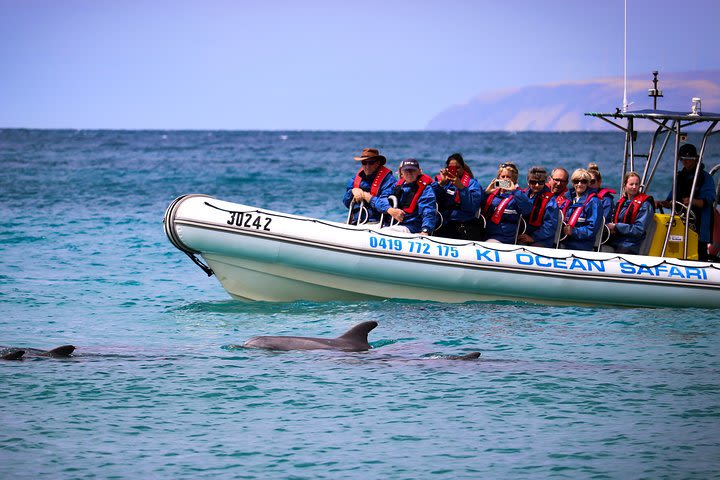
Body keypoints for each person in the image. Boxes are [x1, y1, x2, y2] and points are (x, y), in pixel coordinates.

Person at [656, 143, 716, 261]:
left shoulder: (705, 178)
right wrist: (660, 203)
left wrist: (692, 201)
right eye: (683, 159)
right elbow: (671, 201)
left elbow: (708, 201)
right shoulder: (679, 177)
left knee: (699, 253)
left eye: (689, 159)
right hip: (680, 224)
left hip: (699, 225)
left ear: (695, 159)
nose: (686, 162)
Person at [375, 158, 437, 235]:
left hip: (411, 226)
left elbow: (428, 210)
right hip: (392, 224)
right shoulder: (396, 186)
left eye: (412, 170)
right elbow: (380, 200)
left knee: (384, 232)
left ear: (418, 171)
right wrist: (389, 209)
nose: (409, 173)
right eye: (406, 170)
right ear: (401, 172)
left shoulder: (426, 190)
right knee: (369, 229)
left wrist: (425, 230)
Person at [433, 153, 485, 240]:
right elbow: (430, 198)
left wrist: (461, 188)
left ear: (463, 168)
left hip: (464, 224)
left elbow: (471, 207)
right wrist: (441, 184)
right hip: (445, 223)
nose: (455, 171)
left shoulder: (473, 184)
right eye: (451, 168)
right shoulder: (445, 183)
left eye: (458, 168)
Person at [481, 162, 532, 243]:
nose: (505, 179)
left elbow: (527, 209)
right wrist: (486, 193)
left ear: (514, 179)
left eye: (508, 177)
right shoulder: (493, 193)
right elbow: (476, 206)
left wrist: (514, 191)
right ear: (498, 178)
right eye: (503, 176)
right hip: (487, 233)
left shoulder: (519, 194)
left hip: (504, 237)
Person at [342, 148, 396, 224]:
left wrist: (366, 196)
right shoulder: (355, 179)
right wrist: (352, 192)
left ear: (378, 163)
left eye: (371, 163)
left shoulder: (389, 180)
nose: (367, 166)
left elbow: (385, 205)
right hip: (356, 221)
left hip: (377, 222)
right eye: (364, 162)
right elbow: (346, 202)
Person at [606, 171, 655, 254]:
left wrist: (616, 227)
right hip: (615, 240)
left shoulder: (645, 204)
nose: (634, 187)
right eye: (631, 184)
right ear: (625, 185)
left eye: (636, 184)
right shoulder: (622, 202)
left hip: (630, 244)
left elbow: (639, 229)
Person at [516, 166, 559, 248]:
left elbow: (550, 226)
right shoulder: (523, 194)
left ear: (545, 182)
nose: (536, 185)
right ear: (528, 182)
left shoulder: (550, 201)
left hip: (542, 239)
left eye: (540, 182)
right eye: (533, 182)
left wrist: (533, 238)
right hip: (523, 235)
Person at [560, 168, 601, 251]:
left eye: (583, 181)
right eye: (576, 181)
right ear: (572, 183)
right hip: (564, 241)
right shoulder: (567, 200)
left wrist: (574, 231)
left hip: (582, 245)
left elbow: (592, 229)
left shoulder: (594, 202)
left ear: (588, 183)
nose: (579, 184)